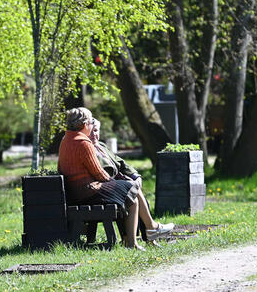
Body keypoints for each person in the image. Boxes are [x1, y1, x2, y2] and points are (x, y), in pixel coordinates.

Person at [57, 107, 172, 250]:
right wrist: (115, 183)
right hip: (88, 191)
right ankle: (143, 234)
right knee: (131, 189)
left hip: (75, 192)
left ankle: (139, 238)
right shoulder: (83, 142)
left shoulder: (66, 139)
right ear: (85, 124)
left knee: (131, 192)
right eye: (91, 122)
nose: (92, 127)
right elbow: (99, 173)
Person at [89, 118, 168, 244]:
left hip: (116, 182)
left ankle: (150, 238)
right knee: (132, 193)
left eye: (96, 131)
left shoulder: (101, 145)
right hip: (106, 185)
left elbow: (120, 161)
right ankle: (146, 232)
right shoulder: (87, 148)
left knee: (138, 194)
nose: (94, 134)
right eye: (91, 131)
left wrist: (135, 175)